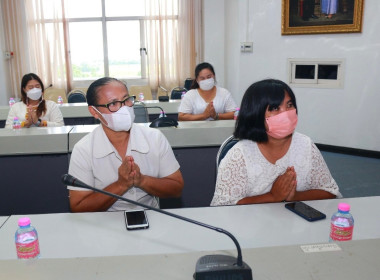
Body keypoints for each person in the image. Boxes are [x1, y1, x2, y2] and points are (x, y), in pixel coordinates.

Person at [211, 79, 341, 206]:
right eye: (274, 108)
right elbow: (223, 206)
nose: (285, 114)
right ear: (256, 113)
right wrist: (272, 196)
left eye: (289, 105)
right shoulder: (240, 154)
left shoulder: (305, 145)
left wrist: (295, 196)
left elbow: (330, 191)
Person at [67, 77, 184, 212]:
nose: (124, 108)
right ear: (94, 112)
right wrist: (120, 185)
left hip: (151, 218)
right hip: (104, 223)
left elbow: (176, 188)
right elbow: (78, 206)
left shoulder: (154, 138)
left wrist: (142, 180)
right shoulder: (83, 149)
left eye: (126, 100)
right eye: (113, 104)